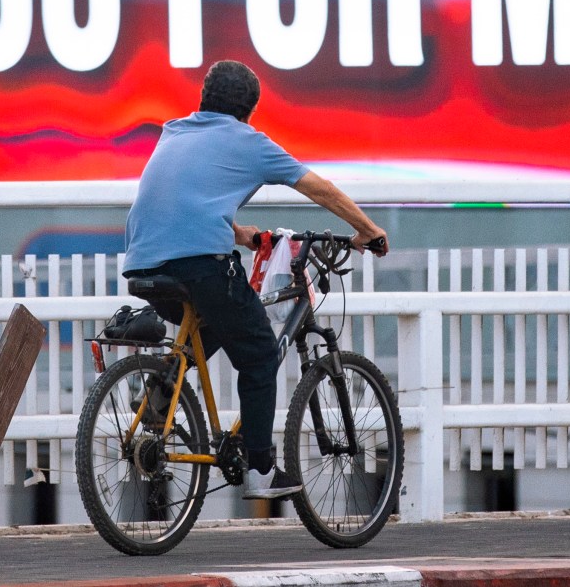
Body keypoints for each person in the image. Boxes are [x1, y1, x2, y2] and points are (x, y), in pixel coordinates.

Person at [122, 59, 387, 501]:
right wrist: (368, 229)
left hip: (143, 264)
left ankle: (160, 393)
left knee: (215, 326)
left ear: (204, 99)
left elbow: (183, 203)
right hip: (199, 266)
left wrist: (241, 234)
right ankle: (261, 471)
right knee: (261, 352)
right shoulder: (249, 141)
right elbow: (318, 188)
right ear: (249, 111)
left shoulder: (176, 130)